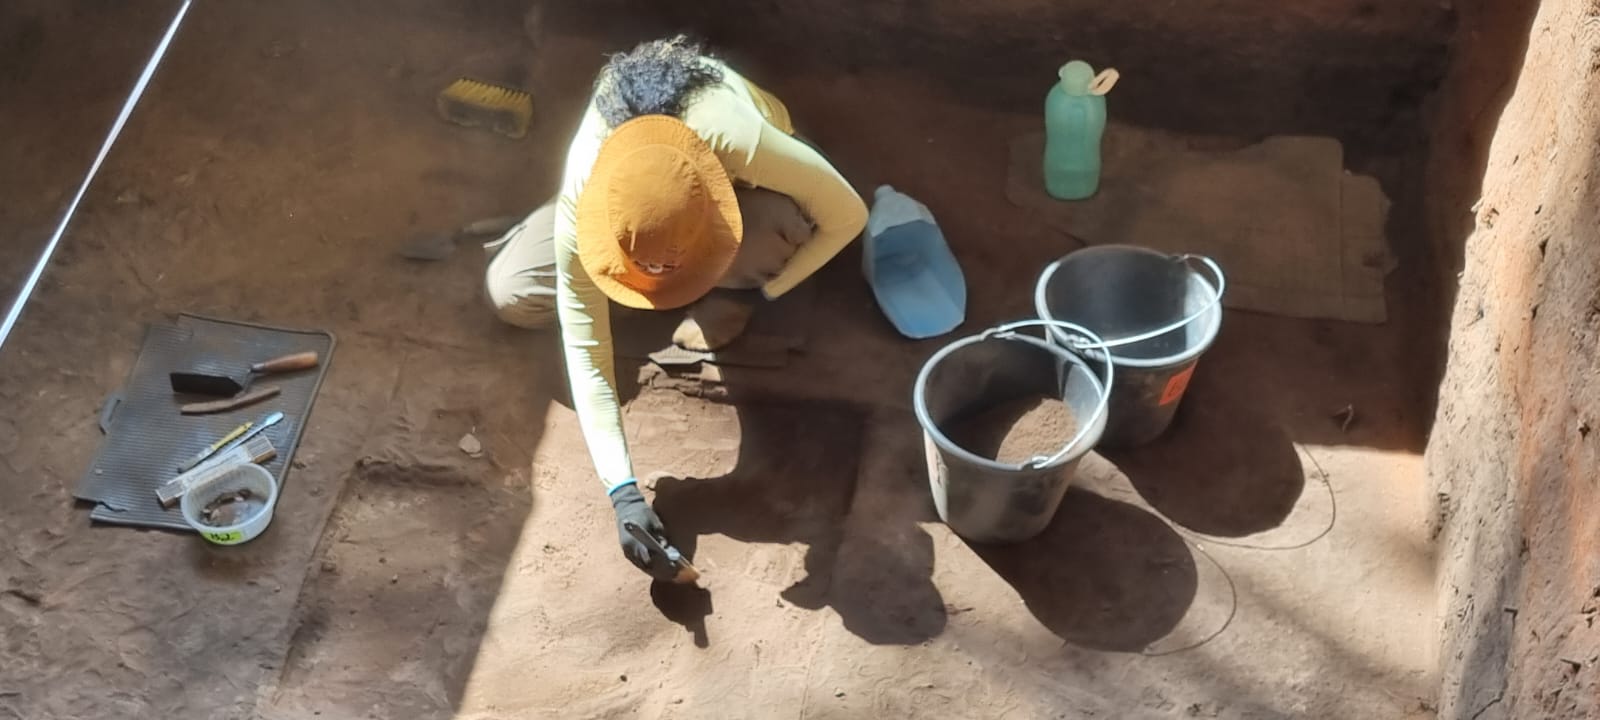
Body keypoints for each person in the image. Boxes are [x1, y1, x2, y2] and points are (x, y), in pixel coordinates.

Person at [483, 36, 868, 580]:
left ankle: (719, 283)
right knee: (513, 294)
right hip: (630, 193)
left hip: (743, 187)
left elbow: (848, 215)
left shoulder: (742, 142)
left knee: (784, 234)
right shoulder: (584, 193)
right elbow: (586, 351)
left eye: (681, 270)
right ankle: (651, 270)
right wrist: (623, 493)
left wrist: (767, 290)